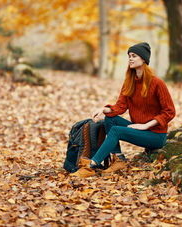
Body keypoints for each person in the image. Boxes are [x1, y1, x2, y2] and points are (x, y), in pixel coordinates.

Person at [73, 42, 176, 178]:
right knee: (110, 119)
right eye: (129, 56)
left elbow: (170, 111)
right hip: (138, 129)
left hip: (155, 135)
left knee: (116, 130)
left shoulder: (157, 83)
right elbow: (120, 107)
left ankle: (92, 165)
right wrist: (103, 109)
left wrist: (145, 125)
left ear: (143, 59)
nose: (130, 59)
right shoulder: (129, 82)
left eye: (134, 56)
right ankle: (119, 159)